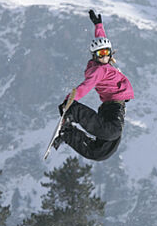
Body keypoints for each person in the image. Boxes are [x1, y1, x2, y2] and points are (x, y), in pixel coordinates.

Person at [54, 10, 134, 161]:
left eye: (106, 53)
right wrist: (69, 102)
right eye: (100, 54)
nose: (103, 57)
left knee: (100, 153)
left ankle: (68, 134)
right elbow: (85, 86)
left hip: (113, 108)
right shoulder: (99, 70)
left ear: (110, 53)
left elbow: (102, 39)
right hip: (112, 109)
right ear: (94, 56)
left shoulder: (106, 62)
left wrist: (98, 25)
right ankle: (75, 111)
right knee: (113, 132)